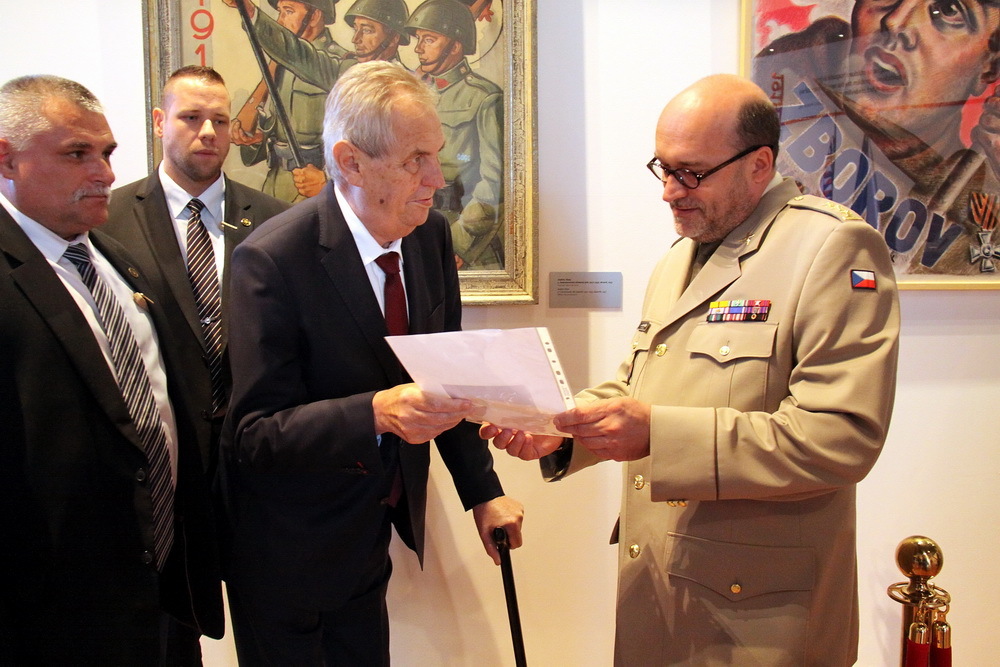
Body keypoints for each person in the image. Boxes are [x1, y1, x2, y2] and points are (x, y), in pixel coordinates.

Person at [484, 74, 901, 665]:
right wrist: (564, 427)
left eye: (692, 173)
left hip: (757, 616)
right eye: (664, 168)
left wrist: (657, 433)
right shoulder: (680, 256)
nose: (669, 192)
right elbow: (638, 383)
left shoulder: (831, 247)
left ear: (759, 165)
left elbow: (841, 439)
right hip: (662, 588)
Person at [221, 60, 523, 665]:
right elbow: (253, 434)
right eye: (416, 160)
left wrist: (483, 493)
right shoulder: (272, 260)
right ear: (351, 162)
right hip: (286, 549)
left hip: (368, 538)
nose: (437, 178)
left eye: (437, 155)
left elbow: (445, 375)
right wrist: (377, 412)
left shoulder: (429, 237)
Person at [0, 75, 223, 664]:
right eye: (77, 154)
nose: (103, 173)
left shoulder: (114, 260)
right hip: (56, 615)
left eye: (107, 153)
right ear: (7, 159)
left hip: (162, 594)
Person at [103, 66, 288, 476]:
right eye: (191, 117)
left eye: (220, 121)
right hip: (157, 452)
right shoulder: (108, 221)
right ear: (159, 122)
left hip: (257, 451)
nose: (208, 132)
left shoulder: (277, 221)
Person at [753, 0, 1000, 275]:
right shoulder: (787, 68)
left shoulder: (980, 203)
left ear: (990, 68)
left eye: (949, 10)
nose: (894, 22)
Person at [406, 0, 504, 269]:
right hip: (414, 225)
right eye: (418, 39)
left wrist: (457, 241)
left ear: (455, 46)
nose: (418, 48)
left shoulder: (484, 98)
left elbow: (494, 184)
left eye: (429, 39)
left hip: (464, 233)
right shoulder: (414, 93)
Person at [225, 0, 347, 201]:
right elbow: (276, 126)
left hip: (313, 187)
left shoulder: (339, 64)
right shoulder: (280, 64)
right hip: (275, 182)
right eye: (279, 11)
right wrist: (257, 139)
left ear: (315, 16)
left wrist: (328, 180)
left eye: (289, 11)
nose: (280, 21)